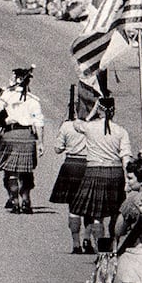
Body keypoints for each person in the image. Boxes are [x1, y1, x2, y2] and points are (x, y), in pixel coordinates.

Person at [69, 96, 131, 252]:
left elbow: (76, 124)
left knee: (97, 215)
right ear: (114, 111)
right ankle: (114, 245)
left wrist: (92, 113)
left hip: (94, 171)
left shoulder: (89, 127)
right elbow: (126, 156)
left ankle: (102, 251)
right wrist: (128, 179)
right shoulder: (121, 131)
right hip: (115, 172)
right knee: (115, 213)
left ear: (100, 110)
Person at [0, 69, 43, 213]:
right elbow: (38, 122)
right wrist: (41, 143)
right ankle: (26, 200)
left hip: (10, 134)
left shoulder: (6, 96)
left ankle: (15, 201)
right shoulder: (33, 100)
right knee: (26, 170)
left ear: (18, 80)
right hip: (27, 136)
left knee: (11, 171)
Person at [51, 97, 93, 253]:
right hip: (89, 165)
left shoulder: (67, 126)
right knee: (90, 207)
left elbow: (57, 149)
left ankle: (76, 244)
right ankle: (88, 239)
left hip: (71, 165)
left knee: (74, 207)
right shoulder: (94, 126)